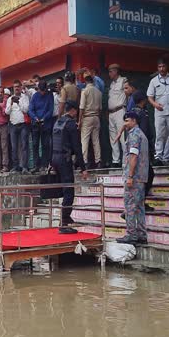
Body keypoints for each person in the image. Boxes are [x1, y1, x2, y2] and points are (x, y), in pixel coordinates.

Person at [51, 101, 87, 234]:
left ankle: (66, 217)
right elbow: (77, 147)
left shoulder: (57, 122)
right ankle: (64, 223)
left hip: (55, 159)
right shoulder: (71, 124)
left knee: (64, 190)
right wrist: (83, 168)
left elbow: (51, 142)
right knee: (69, 191)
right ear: (72, 110)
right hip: (64, 160)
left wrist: (51, 162)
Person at [116, 111, 149, 245]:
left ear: (134, 121)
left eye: (127, 121)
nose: (125, 123)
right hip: (141, 177)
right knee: (139, 206)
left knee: (130, 206)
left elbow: (133, 156)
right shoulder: (141, 134)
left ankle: (131, 234)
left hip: (134, 177)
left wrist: (130, 176)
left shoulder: (134, 135)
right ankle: (141, 234)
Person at [147, 58, 169, 166]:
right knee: (160, 135)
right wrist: (155, 104)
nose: (161, 69)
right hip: (159, 113)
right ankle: (158, 157)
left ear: (167, 67)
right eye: (159, 67)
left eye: (163, 66)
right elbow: (150, 96)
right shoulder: (154, 81)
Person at [29, 80, 54, 172]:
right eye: (41, 90)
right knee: (35, 144)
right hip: (36, 123)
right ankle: (36, 164)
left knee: (45, 145)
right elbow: (30, 109)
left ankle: (44, 164)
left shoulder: (49, 95)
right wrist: (35, 118)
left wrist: (44, 118)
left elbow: (50, 109)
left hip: (46, 123)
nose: (42, 93)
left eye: (44, 90)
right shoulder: (35, 96)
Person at [6, 80, 31, 172]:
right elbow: (7, 112)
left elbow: (26, 110)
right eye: (14, 87)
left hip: (23, 124)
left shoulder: (24, 97)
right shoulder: (10, 99)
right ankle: (16, 166)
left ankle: (24, 166)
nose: (16, 88)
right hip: (13, 125)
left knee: (24, 145)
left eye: (18, 86)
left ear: (21, 87)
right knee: (14, 147)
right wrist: (12, 103)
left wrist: (19, 102)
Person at [79, 73, 102, 169]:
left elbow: (82, 107)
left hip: (87, 117)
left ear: (85, 81)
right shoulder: (98, 92)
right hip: (96, 117)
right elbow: (100, 108)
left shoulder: (85, 91)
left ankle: (84, 162)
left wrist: (79, 120)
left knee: (84, 140)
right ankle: (98, 161)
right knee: (96, 140)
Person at [107, 64, 128, 168]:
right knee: (113, 137)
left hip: (120, 110)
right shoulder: (111, 84)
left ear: (116, 71)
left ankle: (125, 160)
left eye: (111, 71)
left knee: (122, 136)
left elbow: (129, 90)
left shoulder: (123, 80)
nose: (109, 73)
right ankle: (116, 160)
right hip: (111, 113)